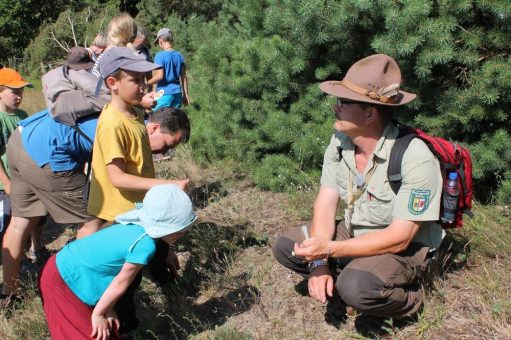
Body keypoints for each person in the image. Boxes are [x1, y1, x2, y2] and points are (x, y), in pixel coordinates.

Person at [272, 54, 444, 321]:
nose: (335, 108)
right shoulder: (340, 143)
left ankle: (411, 297)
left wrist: (328, 250)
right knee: (287, 245)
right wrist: (318, 264)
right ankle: (347, 273)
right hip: (355, 231)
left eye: (342, 102)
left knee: (356, 289)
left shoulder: (415, 157)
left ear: (369, 113)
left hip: (403, 247)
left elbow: (400, 237)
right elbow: (325, 204)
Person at [39, 184, 197, 340]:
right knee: (90, 335)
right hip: (63, 279)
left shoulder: (134, 221)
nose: (181, 234)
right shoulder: (144, 245)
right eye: (180, 230)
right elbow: (121, 282)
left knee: (107, 331)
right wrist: (100, 312)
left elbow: (102, 264)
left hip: (73, 271)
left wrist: (105, 308)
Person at [147, 28, 190, 109]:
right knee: (173, 119)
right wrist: (185, 95)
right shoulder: (179, 55)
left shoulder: (160, 56)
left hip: (164, 93)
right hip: (177, 94)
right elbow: (184, 77)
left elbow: (160, 76)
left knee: (156, 118)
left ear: (160, 40)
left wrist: (146, 83)